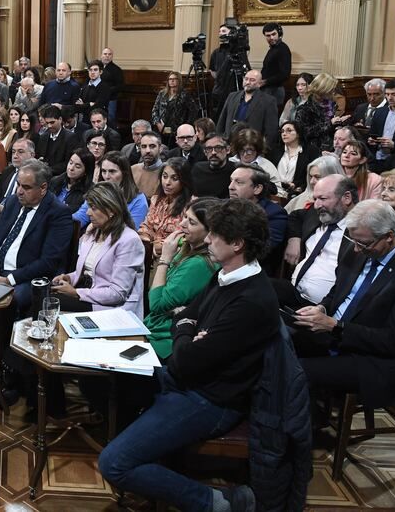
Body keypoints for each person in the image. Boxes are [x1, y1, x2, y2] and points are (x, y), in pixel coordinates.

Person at [99, 199, 278, 512]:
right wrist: (188, 328)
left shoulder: (251, 300)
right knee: (110, 375)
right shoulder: (224, 275)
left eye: (215, 235)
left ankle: (217, 503)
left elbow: (186, 354)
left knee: (114, 464)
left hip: (209, 399)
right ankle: (149, 456)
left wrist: (185, 327)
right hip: (185, 380)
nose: (207, 239)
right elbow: (183, 319)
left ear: (237, 244)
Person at [291, 200, 395, 411]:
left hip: (372, 359)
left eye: (364, 244)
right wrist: (322, 307)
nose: (357, 249)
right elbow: (337, 292)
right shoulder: (358, 244)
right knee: (279, 340)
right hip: (337, 336)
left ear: (388, 236)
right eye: (354, 240)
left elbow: (394, 342)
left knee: (296, 372)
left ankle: (302, 435)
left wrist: (335, 326)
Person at [0, 159, 74, 319]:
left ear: (43, 188)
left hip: (27, 277)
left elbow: (48, 262)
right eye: (18, 184)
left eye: (26, 187)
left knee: (8, 301)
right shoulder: (13, 201)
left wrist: (8, 280)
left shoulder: (58, 213)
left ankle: (1, 344)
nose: (19, 191)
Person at [51, 181, 145, 315]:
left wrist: (76, 292)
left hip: (112, 308)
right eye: (89, 207)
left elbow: (117, 293)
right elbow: (90, 273)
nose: (88, 213)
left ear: (112, 210)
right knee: (43, 290)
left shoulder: (129, 240)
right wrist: (69, 278)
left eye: (94, 208)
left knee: (50, 301)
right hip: (89, 296)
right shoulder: (93, 232)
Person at [144, 198, 220, 359]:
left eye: (191, 222)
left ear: (209, 232)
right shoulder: (185, 249)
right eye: (185, 217)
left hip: (164, 339)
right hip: (153, 328)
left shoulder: (198, 264)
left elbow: (156, 304)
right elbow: (156, 293)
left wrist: (164, 259)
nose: (182, 224)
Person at [278, 173, 358, 309]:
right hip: (293, 294)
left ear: (347, 198)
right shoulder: (318, 214)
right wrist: (294, 239)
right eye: (315, 199)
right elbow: (295, 216)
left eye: (323, 198)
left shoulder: (360, 232)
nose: (316, 205)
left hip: (323, 309)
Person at [138, 157, 193, 259]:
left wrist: (161, 246)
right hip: (152, 252)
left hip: (177, 257)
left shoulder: (191, 205)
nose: (167, 182)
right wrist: (149, 241)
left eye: (174, 178)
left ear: (184, 181)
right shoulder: (156, 200)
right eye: (164, 176)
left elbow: (185, 238)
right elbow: (146, 226)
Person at [228, 163, 287, 251]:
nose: (230, 187)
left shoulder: (274, 214)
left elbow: (261, 249)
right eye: (231, 181)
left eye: (239, 182)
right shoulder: (224, 206)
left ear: (257, 188)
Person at [216, 69, 279, 141]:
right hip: (229, 142)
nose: (248, 82)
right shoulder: (232, 96)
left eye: (252, 80)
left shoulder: (268, 101)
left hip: (251, 144)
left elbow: (271, 130)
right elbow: (221, 121)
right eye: (246, 79)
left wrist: (264, 148)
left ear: (259, 84)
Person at [292, 72, 343, 153]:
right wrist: (330, 123)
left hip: (331, 148)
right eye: (332, 90)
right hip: (313, 150)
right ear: (323, 89)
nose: (334, 92)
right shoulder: (305, 109)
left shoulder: (331, 104)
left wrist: (339, 123)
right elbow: (303, 133)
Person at [270, 120, 320, 200]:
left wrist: (297, 185)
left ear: (298, 134)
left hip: (297, 193)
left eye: (289, 130)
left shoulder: (310, 151)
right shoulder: (275, 150)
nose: (284, 134)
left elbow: (310, 173)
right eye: (282, 131)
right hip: (274, 192)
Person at [100, 151, 149, 228]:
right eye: (103, 171)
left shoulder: (139, 200)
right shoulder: (97, 192)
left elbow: (131, 231)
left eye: (112, 171)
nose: (106, 176)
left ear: (124, 173)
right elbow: (81, 216)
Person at [48, 148, 95, 226]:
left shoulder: (91, 191)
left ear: (86, 171)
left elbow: (80, 219)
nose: (71, 168)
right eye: (70, 163)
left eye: (77, 166)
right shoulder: (55, 181)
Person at [151, 72, 198, 148]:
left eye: (174, 79)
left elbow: (194, 111)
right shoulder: (162, 93)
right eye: (170, 79)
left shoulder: (184, 95)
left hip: (176, 131)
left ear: (179, 80)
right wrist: (158, 123)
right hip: (160, 128)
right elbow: (154, 110)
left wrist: (185, 125)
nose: (172, 81)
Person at [35, 104, 78, 176]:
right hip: (43, 175)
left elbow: (68, 162)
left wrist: (47, 169)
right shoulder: (43, 137)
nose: (49, 126)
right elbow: (39, 155)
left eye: (52, 122)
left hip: (60, 177)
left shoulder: (70, 137)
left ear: (60, 119)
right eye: (47, 123)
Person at [191, 133, 236, 199]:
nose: (213, 153)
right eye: (209, 149)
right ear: (205, 152)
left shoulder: (235, 171)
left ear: (228, 150)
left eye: (218, 148)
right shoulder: (198, 169)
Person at [0, 138, 35, 206]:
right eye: (13, 152)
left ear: (32, 155)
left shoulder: (34, 175)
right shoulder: (7, 171)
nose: (15, 156)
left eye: (20, 152)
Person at [260, 22, 291, 109]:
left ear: (279, 33)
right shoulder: (273, 49)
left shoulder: (283, 49)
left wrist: (264, 81)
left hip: (275, 91)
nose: (271, 37)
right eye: (268, 35)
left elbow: (285, 74)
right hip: (268, 90)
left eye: (274, 34)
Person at [131, 131, 166, 200]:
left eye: (152, 146)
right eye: (144, 146)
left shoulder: (167, 171)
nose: (147, 150)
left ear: (160, 148)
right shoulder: (132, 169)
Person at [98, 48, 125, 123]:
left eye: (109, 54)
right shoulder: (96, 68)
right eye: (105, 54)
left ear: (112, 56)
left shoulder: (116, 70)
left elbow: (120, 86)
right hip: (96, 97)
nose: (107, 56)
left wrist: (107, 90)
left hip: (110, 99)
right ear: (101, 55)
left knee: (110, 118)